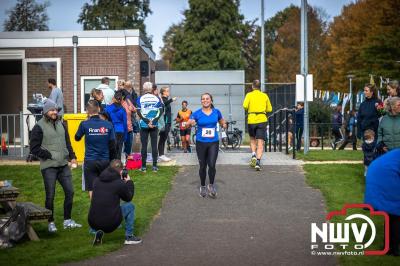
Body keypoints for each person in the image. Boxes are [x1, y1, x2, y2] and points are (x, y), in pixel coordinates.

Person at [29, 99, 81, 232]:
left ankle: (67, 220)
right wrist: (48, 155)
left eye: (56, 110)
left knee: (70, 192)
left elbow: (68, 143)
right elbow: (34, 148)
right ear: (46, 112)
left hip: (63, 165)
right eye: (51, 110)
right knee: (50, 195)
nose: (54, 112)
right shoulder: (38, 127)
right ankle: (50, 222)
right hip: (49, 166)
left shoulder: (62, 124)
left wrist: (73, 157)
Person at [89, 159, 142, 245]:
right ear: (121, 171)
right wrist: (129, 182)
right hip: (110, 224)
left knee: (99, 204)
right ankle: (129, 237)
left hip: (93, 222)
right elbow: (128, 198)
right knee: (130, 206)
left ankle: (95, 230)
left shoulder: (96, 181)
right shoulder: (119, 183)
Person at [187, 93, 226, 198]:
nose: (205, 100)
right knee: (203, 166)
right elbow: (189, 122)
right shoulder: (197, 113)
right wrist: (191, 122)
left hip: (213, 142)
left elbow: (222, 120)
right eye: (203, 99)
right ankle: (203, 185)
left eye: (207, 99)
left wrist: (224, 124)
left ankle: (211, 185)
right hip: (201, 143)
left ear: (211, 100)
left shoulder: (216, 112)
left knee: (212, 165)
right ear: (201, 101)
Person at [75, 100, 117, 198]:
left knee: (92, 188)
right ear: (99, 109)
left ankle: (95, 211)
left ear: (87, 111)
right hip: (104, 160)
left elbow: (77, 138)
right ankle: (105, 210)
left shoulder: (84, 124)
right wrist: (113, 159)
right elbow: (113, 144)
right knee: (106, 187)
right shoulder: (108, 124)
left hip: (90, 161)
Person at [364, 149, 400, 256]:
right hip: (385, 175)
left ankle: (388, 247)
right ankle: (394, 249)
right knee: (396, 212)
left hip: (377, 171)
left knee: (392, 214)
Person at [243, 80, 273, 170]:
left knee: (252, 139)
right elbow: (270, 109)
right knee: (260, 142)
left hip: (251, 119)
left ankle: (253, 155)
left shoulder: (249, 95)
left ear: (252, 86)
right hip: (262, 119)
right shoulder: (264, 96)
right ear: (260, 87)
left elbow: (244, 106)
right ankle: (258, 162)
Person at [136, 82, 163, 172]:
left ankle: (143, 167)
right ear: (151, 89)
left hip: (144, 124)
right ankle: (154, 166)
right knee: (154, 145)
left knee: (144, 145)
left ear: (144, 89)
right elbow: (161, 110)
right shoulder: (156, 98)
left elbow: (138, 112)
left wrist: (146, 121)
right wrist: (154, 121)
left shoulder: (140, 98)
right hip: (154, 124)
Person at [105, 91, 127, 160]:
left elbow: (106, 119)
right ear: (121, 99)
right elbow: (125, 123)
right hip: (121, 130)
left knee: (111, 149)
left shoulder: (108, 108)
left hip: (111, 130)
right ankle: (118, 166)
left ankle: (111, 165)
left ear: (114, 98)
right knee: (119, 150)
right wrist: (125, 136)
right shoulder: (123, 109)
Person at [158, 87, 176, 161]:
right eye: (167, 91)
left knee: (164, 138)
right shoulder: (163, 99)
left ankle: (162, 154)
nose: (168, 92)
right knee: (162, 138)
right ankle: (161, 155)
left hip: (168, 122)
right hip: (165, 122)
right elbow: (164, 104)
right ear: (163, 92)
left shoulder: (165, 99)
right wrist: (172, 100)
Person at [121, 91, 136, 158]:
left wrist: (132, 108)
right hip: (120, 129)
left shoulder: (127, 101)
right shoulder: (115, 103)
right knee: (120, 147)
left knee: (128, 145)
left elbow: (135, 109)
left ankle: (127, 161)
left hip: (129, 127)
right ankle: (120, 161)